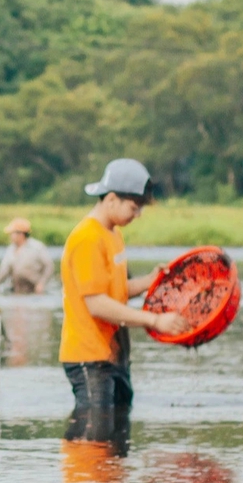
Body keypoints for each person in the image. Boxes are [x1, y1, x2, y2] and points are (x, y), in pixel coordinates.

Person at [58, 159, 188, 440]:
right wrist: (154, 320)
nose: (138, 214)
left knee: (117, 438)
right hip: (89, 357)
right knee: (95, 437)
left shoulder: (112, 235)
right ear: (112, 199)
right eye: (134, 206)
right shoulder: (87, 238)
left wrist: (149, 281)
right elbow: (96, 304)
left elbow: (115, 290)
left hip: (113, 355)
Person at [0, 217, 53, 295]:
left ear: (21, 234)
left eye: (12, 233)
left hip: (34, 289)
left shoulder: (37, 247)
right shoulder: (10, 249)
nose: (10, 236)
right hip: (17, 289)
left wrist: (41, 284)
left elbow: (49, 266)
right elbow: (4, 270)